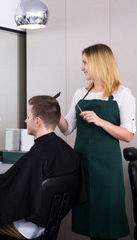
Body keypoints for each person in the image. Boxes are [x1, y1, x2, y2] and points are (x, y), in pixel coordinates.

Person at [58, 43, 135, 240]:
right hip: (83, 168)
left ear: (99, 63)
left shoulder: (122, 94)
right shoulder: (79, 93)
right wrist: (54, 111)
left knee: (107, 225)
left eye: (85, 62)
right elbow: (67, 129)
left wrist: (100, 121)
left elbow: (128, 134)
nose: (82, 67)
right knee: (90, 225)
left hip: (107, 171)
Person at [0, 95, 85, 239]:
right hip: (47, 225)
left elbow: (9, 196)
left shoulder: (36, 158)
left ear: (37, 121)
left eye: (28, 116)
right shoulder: (70, 153)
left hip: (24, 227)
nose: (25, 120)